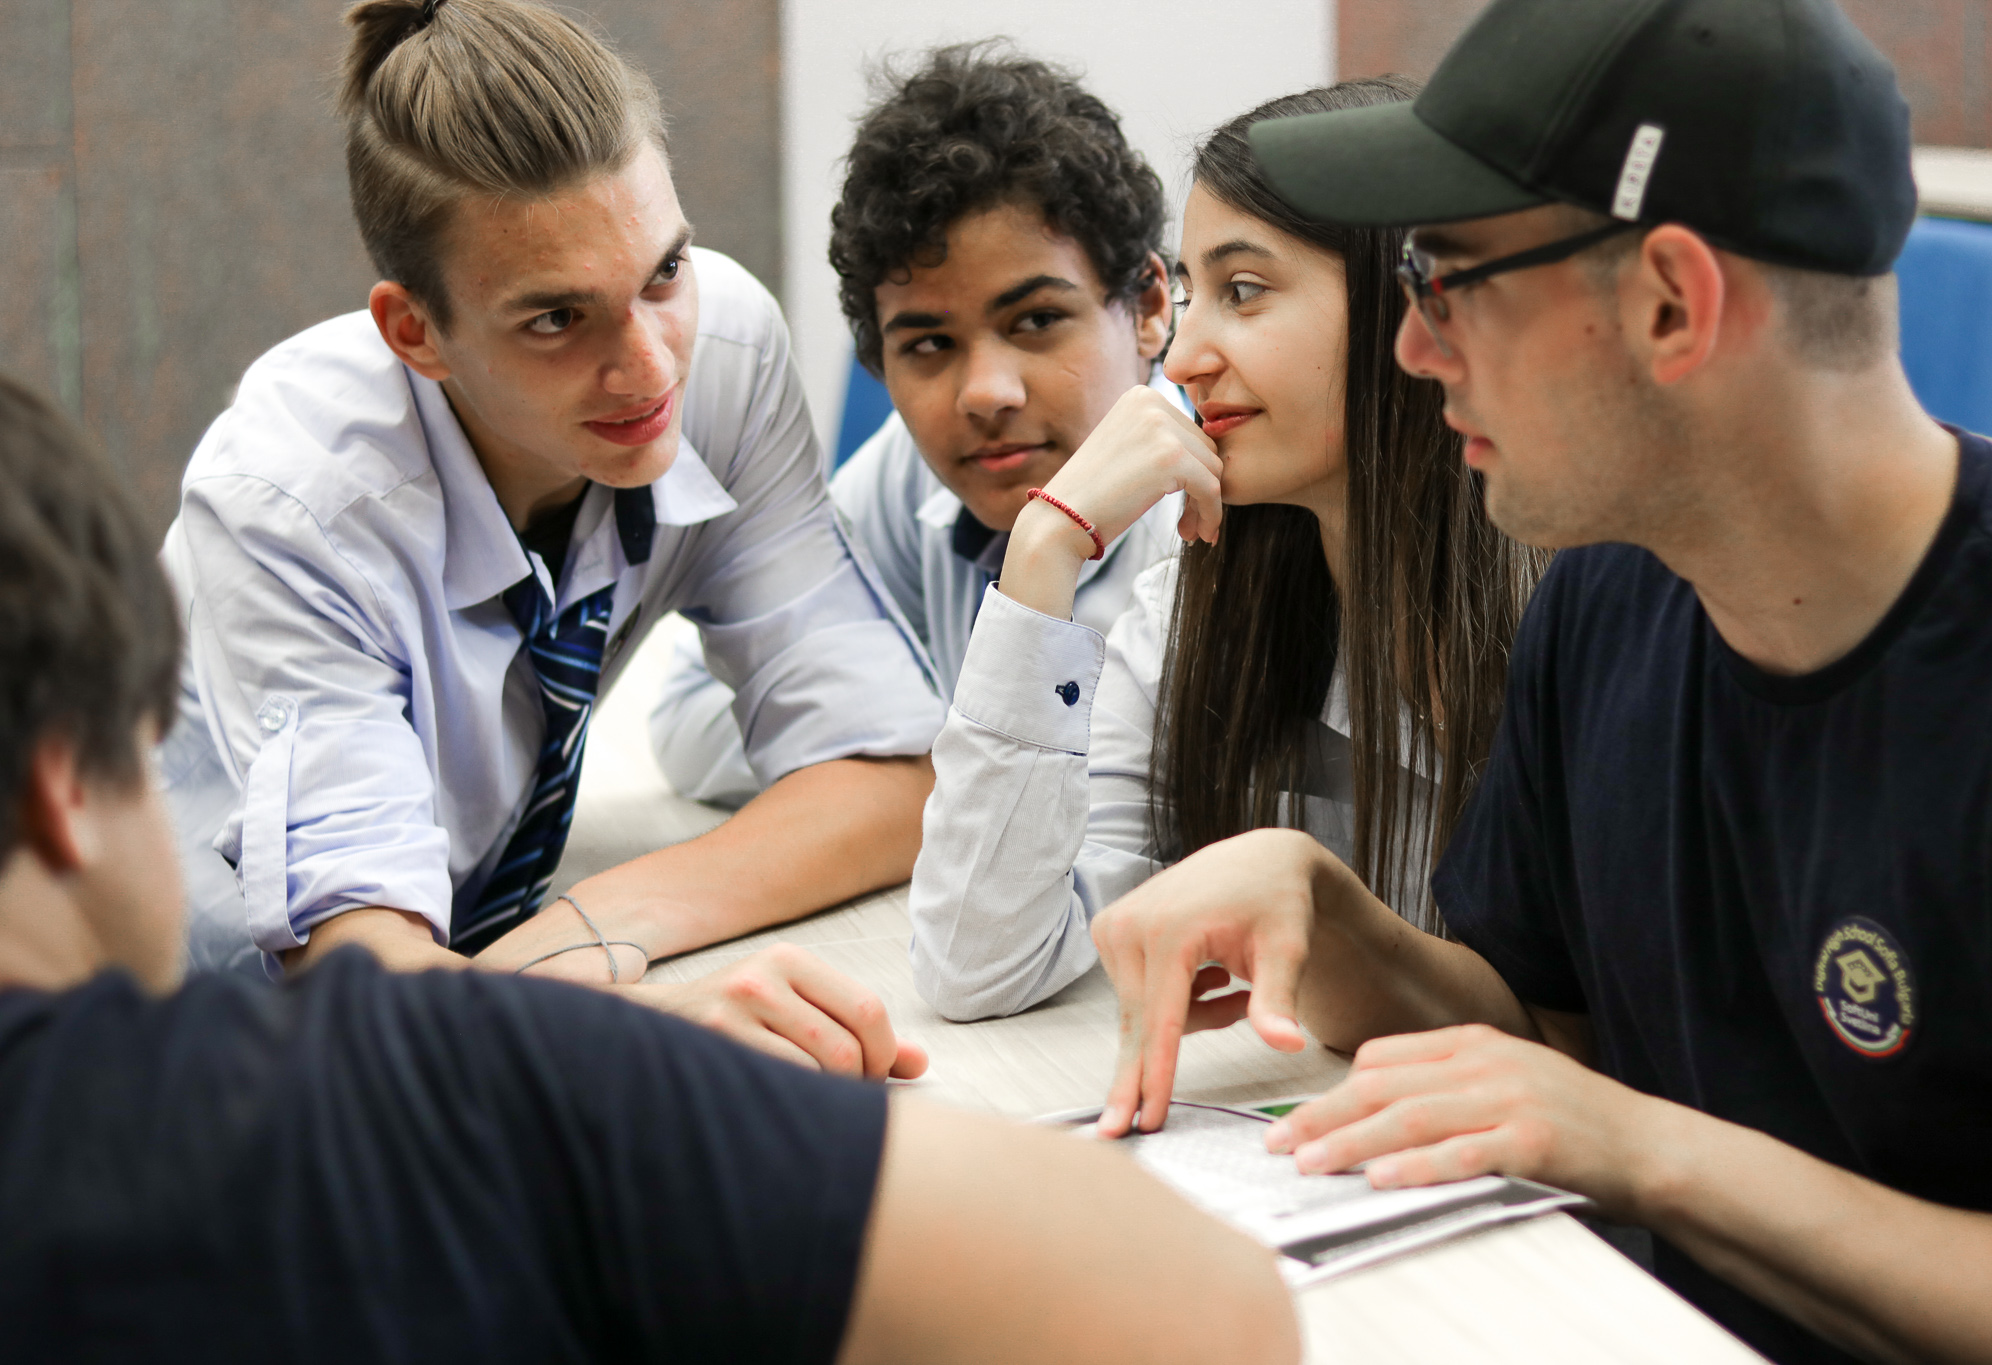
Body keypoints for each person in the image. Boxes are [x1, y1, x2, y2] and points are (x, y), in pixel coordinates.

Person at [1087, 0, 1992, 1360]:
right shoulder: (1606, 593)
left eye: (1448, 282)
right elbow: (1545, 1029)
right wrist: (1336, 919)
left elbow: (1605, 1120)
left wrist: (1652, 1152)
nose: (1414, 350)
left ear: (1669, 305)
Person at [0, 370, 1295, 1365]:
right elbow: (1203, 1305)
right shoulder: (421, 1098)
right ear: (67, 787)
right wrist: (608, 1066)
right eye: (157, 749)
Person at [160, 0, 943, 1073]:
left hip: (471, 977)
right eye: (556, 319)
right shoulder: (288, 500)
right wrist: (626, 1029)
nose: (651, 368)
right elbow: (362, 986)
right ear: (414, 332)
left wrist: (590, 930)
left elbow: (889, 779)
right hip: (184, 1045)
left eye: (664, 271)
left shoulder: (722, 352)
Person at [908, 78, 1546, 1021]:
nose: (1182, 358)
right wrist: (1044, 546)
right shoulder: (1193, 607)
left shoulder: (1572, 614)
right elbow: (979, 961)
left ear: (1409, 308)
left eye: (1243, 292)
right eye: (1190, 294)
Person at [650, 43, 1182, 808]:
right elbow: (689, 716)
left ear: (1149, 307)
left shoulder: (1223, 519)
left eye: (1037, 320)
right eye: (930, 344)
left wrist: (913, 742)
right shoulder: (910, 475)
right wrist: (971, 743)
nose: (986, 394)